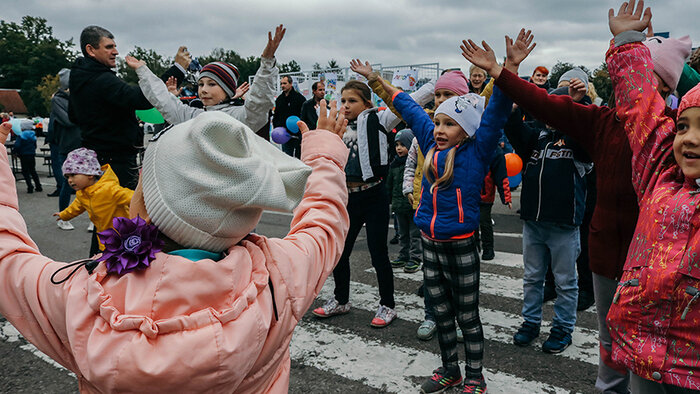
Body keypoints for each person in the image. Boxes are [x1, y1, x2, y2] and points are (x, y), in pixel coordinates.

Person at [0, 98, 350, 392]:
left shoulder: (79, 295)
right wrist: (325, 155)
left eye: (141, 180)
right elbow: (323, 222)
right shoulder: (280, 275)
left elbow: (8, 254)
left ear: (149, 209)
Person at [374, 33, 515, 392]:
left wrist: (507, 68)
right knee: (441, 313)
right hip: (430, 243)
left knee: (468, 316)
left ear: (465, 131)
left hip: (462, 245)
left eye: (448, 124)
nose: (438, 130)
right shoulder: (428, 138)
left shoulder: (478, 150)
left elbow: (497, 109)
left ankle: (475, 376)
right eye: (437, 123)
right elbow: (406, 106)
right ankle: (449, 368)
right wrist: (374, 80)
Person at [605, 2, 699, 392]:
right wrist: (628, 44)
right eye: (683, 126)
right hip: (642, 354)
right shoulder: (660, 175)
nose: (690, 139)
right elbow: (641, 109)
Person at [312, 65, 434, 329]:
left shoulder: (379, 119)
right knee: (340, 253)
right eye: (343, 100)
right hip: (348, 197)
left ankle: (387, 305)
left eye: (352, 101)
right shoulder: (335, 125)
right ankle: (341, 299)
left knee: (378, 254)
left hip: (375, 195)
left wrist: (438, 84)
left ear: (366, 102)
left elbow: (413, 101)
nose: (345, 105)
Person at [69, 25, 189, 190]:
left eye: (115, 46)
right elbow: (139, 98)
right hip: (115, 161)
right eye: (109, 47)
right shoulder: (100, 79)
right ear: (91, 50)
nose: (116, 52)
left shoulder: (79, 77)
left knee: (105, 211)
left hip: (97, 157)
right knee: (125, 212)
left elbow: (73, 115)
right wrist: (178, 70)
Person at [128, 25, 284, 135]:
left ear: (227, 89)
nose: (203, 90)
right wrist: (143, 71)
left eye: (212, 84)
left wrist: (267, 62)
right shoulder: (191, 116)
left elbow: (259, 102)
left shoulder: (240, 116)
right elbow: (162, 99)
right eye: (201, 84)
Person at [53, 148, 133, 255]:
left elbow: (132, 197)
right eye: (67, 177)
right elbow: (76, 207)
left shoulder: (109, 189)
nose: (70, 180)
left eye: (73, 175)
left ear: (90, 174)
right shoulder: (83, 193)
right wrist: (64, 215)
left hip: (123, 237)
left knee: (122, 266)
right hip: (104, 239)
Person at [50, 68, 82, 231]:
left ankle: (95, 218)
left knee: (91, 183)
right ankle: (63, 217)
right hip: (67, 146)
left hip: (84, 144)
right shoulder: (58, 100)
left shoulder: (80, 96)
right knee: (67, 183)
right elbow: (68, 120)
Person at [386, 128, 421, 273]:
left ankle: (415, 257)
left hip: (412, 206)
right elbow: (389, 185)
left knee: (414, 234)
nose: (399, 148)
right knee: (402, 233)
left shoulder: (414, 164)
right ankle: (403, 255)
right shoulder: (393, 165)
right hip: (398, 206)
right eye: (397, 145)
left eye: (402, 145)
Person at [476, 146, 512, 261]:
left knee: (484, 221)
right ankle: (475, 246)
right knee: (471, 221)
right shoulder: (469, 145)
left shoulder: (495, 150)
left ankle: (488, 248)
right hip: (470, 193)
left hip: (485, 194)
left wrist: (506, 197)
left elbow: (501, 175)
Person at [273, 75, 306, 158]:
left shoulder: (299, 98)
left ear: (291, 84)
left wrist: (301, 131)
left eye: (284, 83)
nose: (282, 86)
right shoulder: (279, 99)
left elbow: (304, 115)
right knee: (287, 156)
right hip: (284, 133)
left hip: (297, 133)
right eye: (281, 84)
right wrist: (276, 126)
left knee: (299, 156)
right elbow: (276, 114)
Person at [12, 123, 42, 193]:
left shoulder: (21, 136)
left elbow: (17, 145)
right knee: (33, 170)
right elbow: (35, 146)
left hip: (24, 155)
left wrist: (14, 152)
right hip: (31, 154)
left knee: (25, 171)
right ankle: (38, 186)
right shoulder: (33, 135)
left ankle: (30, 186)